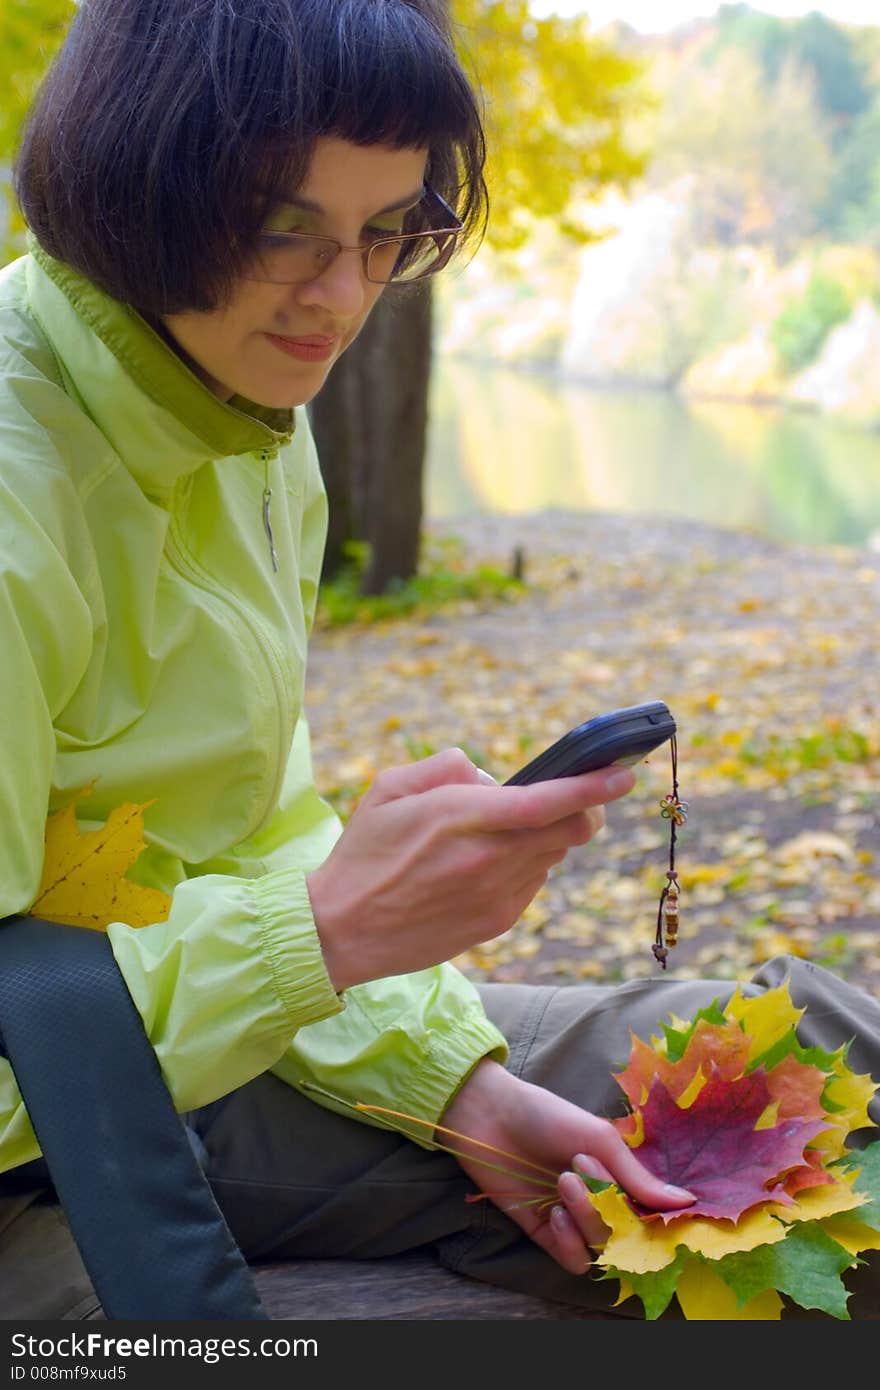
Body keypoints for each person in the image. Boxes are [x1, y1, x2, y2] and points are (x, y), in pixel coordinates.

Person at [0, 0, 877, 1322]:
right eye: (283, 226)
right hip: (52, 1128)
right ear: (137, 183)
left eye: (385, 233)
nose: (342, 297)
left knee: (821, 1065)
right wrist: (319, 932)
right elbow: (253, 932)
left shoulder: (245, 412)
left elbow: (250, 840)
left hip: (225, 1036)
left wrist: (458, 1085)